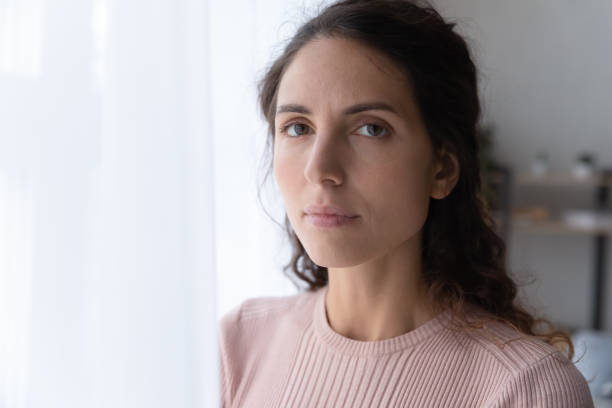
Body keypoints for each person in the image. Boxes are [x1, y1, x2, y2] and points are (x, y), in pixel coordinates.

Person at [218, 0, 594, 406]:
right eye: (298, 127)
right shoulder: (238, 344)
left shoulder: (527, 390)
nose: (319, 168)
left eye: (370, 128)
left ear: (442, 169)